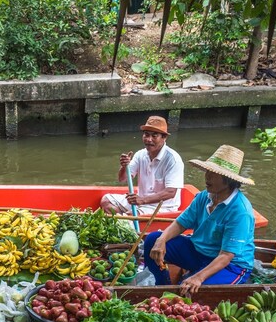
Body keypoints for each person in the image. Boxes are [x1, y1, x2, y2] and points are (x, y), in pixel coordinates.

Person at [143, 144, 255, 295]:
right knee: (152, 240)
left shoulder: (240, 211)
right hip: (199, 251)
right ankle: (163, 284)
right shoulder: (204, 196)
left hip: (231, 265)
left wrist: (198, 277)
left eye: (213, 173)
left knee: (193, 293)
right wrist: (161, 240)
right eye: (207, 171)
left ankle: (194, 276)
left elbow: (226, 256)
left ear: (228, 180)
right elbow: (181, 223)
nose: (207, 177)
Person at [100, 116, 184, 215]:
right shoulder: (140, 155)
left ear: (164, 138)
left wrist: (142, 200)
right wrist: (124, 166)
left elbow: (171, 192)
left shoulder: (173, 159)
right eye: (146, 135)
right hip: (140, 201)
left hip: (162, 207)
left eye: (154, 136)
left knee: (130, 216)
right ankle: (124, 219)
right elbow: (122, 179)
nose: (149, 139)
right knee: (106, 201)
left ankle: (125, 219)